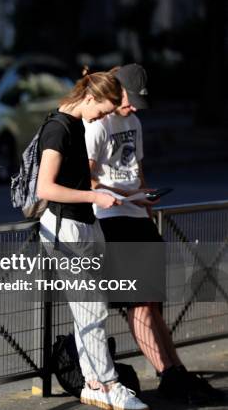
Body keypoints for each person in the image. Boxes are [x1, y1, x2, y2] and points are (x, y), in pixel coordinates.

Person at [85, 63, 225, 405]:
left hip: (136, 216)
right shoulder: (97, 125)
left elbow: (138, 169)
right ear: (115, 91)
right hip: (111, 217)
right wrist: (121, 196)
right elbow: (85, 180)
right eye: (128, 101)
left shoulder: (133, 121)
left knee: (152, 304)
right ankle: (167, 374)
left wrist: (145, 202)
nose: (132, 108)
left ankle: (177, 371)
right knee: (140, 304)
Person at [36, 68, 150, 410]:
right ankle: (106, 383)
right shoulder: (58, 129)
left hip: (80, 226)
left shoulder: (70, 125)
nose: (101, 118)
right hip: (66, 228)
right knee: (93, 309)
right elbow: (46, 187)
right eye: (101, 111)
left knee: (90, 310)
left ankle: (96, 382)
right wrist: (94, 197)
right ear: (89, 98)